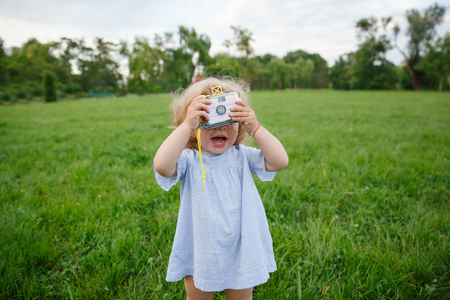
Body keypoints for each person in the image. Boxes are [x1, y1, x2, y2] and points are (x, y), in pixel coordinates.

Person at [153, 77, 289, 300]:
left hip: (242, 244)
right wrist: (187, 126)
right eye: (208, 119)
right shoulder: (189, 159)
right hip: (201, 244)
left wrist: (256, 127)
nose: (222, 126)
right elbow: (162, 166)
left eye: (230, 118)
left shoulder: (242, 156)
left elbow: (279, 161)